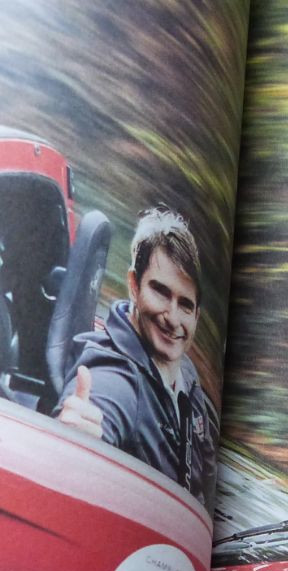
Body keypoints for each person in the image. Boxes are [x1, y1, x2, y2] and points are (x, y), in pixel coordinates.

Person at [56, 205, 220, 511]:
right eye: (160, 292)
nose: (172, 318)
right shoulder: (114, 376)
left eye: (185, 305)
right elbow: (97, 408)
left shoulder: (187, 379)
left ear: (197, 314)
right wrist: (76, 440)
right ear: (134, 285)